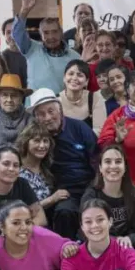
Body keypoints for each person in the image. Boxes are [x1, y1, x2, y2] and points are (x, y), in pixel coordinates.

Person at [28, 89, 98, 240]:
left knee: (94, 210)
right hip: (62, 191)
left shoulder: (79, 127)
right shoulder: (38, 138)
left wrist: (97, 187)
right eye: (41, 114)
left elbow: (96, 158)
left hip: (90, 185)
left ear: (60, 109)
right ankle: (64, 254)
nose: (47, 118)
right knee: (64, 212)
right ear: (35, 118)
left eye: (51, 111)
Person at [14, 0, 81, 93]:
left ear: (61, 32)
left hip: (63, 106)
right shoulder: (31, 49)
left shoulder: (75, 57)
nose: (51, 36)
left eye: (54, 32)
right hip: (35, 106)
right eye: (46, 33)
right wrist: (24, 11)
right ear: (41, 35)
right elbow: (17, 34)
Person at [15, 121, 66, 217]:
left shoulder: (48, 167)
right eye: (37, 141)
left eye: (45, 141)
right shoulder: (16, 169)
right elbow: (21, 210)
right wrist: (52, 199)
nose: (42, 146)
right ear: (26, 142)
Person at [0, 17, 29, 87]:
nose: (12, 35)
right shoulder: (1, 57)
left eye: (15, 31)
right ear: (4, 35)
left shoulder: (33, 54)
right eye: (8, 32)